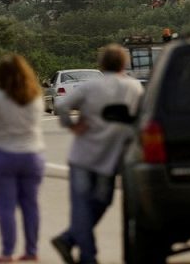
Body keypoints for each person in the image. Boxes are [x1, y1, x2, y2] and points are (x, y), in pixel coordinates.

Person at [51, 43, 144, 264]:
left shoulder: (91, 87)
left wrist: (71, 126)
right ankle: (85, 256)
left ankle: (72, 242)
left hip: (82, 156)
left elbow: (61, 106)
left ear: (101, 64)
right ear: (125, 62)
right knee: (102, 202)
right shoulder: (135, 88)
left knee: (82, 207)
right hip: (110, 158)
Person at [0, 54, 46, 263]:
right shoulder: (35, 96)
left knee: (6, 206)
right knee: (30, 205)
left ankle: (7, 253)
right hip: (32, 155)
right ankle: (32, 251)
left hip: (1, 155)